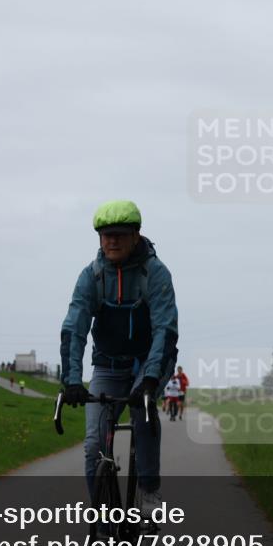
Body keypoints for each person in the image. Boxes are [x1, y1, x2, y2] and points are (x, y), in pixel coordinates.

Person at [60, 200, 178, 518]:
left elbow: (165, 330)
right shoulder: (92, 276)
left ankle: (149, 489)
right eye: (105, 235)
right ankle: (102, 522)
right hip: (108, 365)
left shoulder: (155, 273)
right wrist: (72, 380)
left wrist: (150, 380)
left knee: (144, 414)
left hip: (148, 363)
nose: (112, 241)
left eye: (120, 235)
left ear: (135, 236)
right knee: (93, 446)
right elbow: (74, 329)